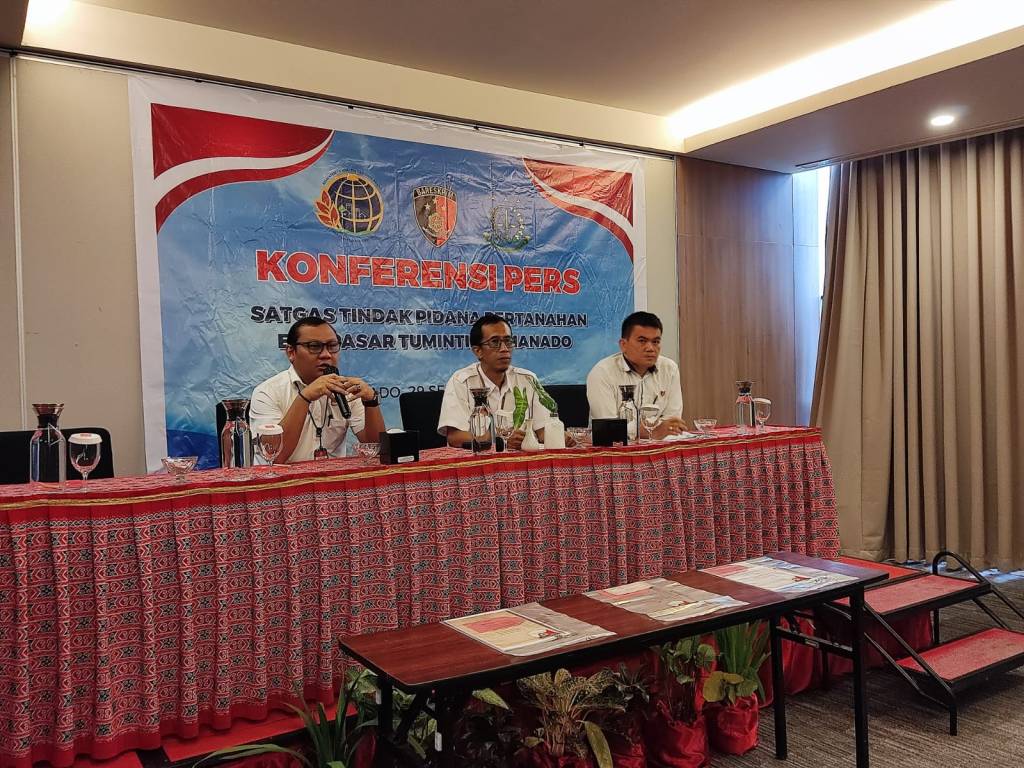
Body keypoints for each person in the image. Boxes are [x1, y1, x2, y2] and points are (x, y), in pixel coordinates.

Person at [250, 317, 385, 462]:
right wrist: (305, 397)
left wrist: (371, 402)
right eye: (314, 346)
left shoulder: (346, 390)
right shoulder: (267, 392)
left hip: (334, 475)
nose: (326, 354)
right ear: (291, 352)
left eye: (332, 346)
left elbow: (377, 450)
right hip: (283, 476)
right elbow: (273, 457)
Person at [438, 314, 551, 450]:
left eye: (508, 341)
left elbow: (543, 430)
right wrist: (501, 440)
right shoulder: (461, 382)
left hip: (523, 459)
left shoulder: (528, 379)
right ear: (478, 351)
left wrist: (559, 436)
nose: (504, 349)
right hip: (478, 461)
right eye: (495, 342)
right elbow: (455, 438)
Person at [586, 311, 686, 438]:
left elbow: (673, 423)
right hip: (613, 447)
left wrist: (657, 431)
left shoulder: (669, 369)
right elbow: (609, 427)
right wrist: (653, 432)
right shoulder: (602, 373)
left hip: (660, 445)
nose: (650, 348)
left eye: (655, 342)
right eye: (642, 341)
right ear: (623, 345)